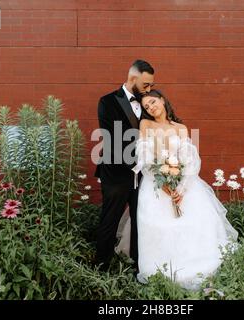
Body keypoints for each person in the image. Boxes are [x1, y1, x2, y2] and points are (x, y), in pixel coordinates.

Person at [118, 89, 238, 290]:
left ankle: (193, 268)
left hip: (183, 183)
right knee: (159, 227)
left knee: (190, 225)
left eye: (153, 102)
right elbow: (144, 157)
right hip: (155, 184)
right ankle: (162, 271)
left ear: (162, 100)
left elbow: (191, 160)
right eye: (147, 106)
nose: (151, 107)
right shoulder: (146, 124)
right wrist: (161, 181)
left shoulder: (180, 128)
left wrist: (181, 189)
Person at [94, 59, 155, 272]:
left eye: (151, 86)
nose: (149, 89)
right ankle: (101, 268)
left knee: (141, 220)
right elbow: (113, 140)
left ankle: (139, 267)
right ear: (133, 78)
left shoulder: (149, 103)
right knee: (110, 219)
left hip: (144, 176)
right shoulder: (107, 102)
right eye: (146, 84)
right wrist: (137, 163)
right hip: (116, 172)